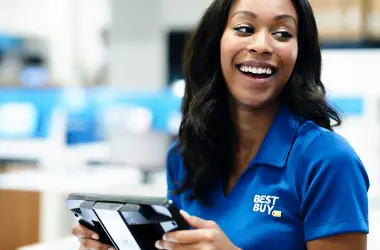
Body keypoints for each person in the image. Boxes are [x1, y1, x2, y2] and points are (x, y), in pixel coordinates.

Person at [72, 0, 370, 249]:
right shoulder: (185, 155)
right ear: (215, 43)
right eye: (244, 28)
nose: (262, 45)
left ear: (299, 53)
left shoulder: (328, 161)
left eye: (282, 33)